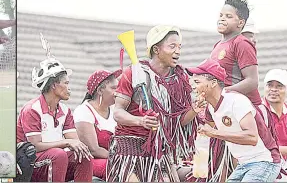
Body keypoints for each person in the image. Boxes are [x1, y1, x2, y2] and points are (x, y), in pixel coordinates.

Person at [106, 25, 206, 182]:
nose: (178, 51)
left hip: (159, 149)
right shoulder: (133, 73)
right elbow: (117, 112)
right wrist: (140, 121)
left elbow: (176, 123)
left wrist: (193, 110)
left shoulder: (179, 79)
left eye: (179, 47)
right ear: (156, 49)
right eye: (172, 46)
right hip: (129, 147)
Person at [208, 0, 281, 181]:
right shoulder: (218, 45)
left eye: (228, 16)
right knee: (234, 162)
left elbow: (252, 81)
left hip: (248, 110)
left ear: (241, 23)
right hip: (229, 111)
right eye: (221, 14)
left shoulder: (242, 43)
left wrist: (223, 95)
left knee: (262, 159)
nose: (222, 19)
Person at [187, 58, 281, 182]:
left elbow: (252, 138)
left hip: (264, 161)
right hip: (243, 164)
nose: (193, 87)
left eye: (197, 82)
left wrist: (213, 132)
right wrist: (197, 112)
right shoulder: (210, 107)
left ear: (213, 82)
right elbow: (209, 129)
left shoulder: (236, 101)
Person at [16, 35, 93, 182]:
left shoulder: (65, 111)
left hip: (54, 158)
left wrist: (75, 144)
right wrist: (65, 143)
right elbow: (35, 146)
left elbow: (75, 141)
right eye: (66, 83)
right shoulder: (32, 109)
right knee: (59, 155)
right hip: (29, 162)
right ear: (54, 85)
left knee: (84, 154)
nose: (69, 88)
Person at [73, 69, 121, 181]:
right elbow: (93, 150)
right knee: (117, 168)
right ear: (100, 90)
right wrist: (120, 159)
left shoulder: (115, 110)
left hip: (112, 158)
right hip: (89, 162)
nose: (118, 92)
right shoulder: (83, 111)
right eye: (114, 88)